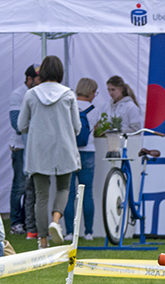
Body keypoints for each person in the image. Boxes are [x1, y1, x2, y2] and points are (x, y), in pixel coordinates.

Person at [18, 55, 81, 249]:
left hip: (38, 150)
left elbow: (21, 125)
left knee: (41, 196)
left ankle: (43, 240)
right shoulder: (68, 94)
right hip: (64, 148)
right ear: (61, 72)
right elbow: (77, 127)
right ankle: (55, 220)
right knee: (63, 188)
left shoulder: (31, 94)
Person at [64, 77, 101, 241]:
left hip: (70, 152)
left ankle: (69, 232)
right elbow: (95, 129)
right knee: (87, 194)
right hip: (88, 152)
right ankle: (88, 232)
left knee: (68, 193)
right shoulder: (95, 110)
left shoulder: (68, 106)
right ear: (91, 92)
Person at [8, 64, 39, 236]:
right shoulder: (18, 94)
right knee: (19, 185)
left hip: (34, 146)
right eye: (38, 78)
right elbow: (17, 125)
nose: (41, 81)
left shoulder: (38, 92)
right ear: (29, 79)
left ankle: (28, 221)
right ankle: (16, 222)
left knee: (31, 186)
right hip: (20, 147)